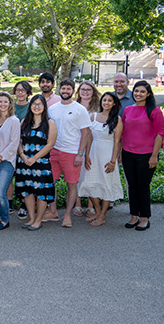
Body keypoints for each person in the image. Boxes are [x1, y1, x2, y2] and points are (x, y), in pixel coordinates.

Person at [46, 79, 91, 228]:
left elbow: (85, 133)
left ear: (73, 91)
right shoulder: (52, 108)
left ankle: (67, 215)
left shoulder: (79, 109)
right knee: (50, 183)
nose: (65, 91)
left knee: (71, 185)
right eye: (63, 88)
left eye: (68, 89)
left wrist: (80, 154)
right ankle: (53, 211)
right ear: (59, 89)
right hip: (54, 150)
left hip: (71, 152)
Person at [121, 81, 164, 231]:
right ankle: (134, 215)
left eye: (142, 92)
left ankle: (144, 218)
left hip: (146, 155)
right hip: (128, 153)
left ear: (148, 94)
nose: (138, 94)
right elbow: (123, 133)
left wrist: (154, 156)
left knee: (143, 186)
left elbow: (160, 134)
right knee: (132, 186)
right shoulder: (127, 110)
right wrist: (121, 153)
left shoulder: (154, 111)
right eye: (136, 91)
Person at [78, 92, 124, 226]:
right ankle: (97, 211)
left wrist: (113, 161)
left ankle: (103, 215)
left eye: (110, 101)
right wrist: (86, 155)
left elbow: (117, 142)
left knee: (106, 184)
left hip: (107, 155)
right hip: (93, 154)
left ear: (114, 103)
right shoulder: (92, 116)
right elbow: (89, 137)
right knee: (88, 182)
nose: (106, 103)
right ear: (101, 101)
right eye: (105, 100)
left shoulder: (117, 119)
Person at [15, 95, 57, 230]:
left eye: (40, 104)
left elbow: (50, 144)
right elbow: (18, 141)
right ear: (30, 106)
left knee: (41, 192)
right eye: (34, 104)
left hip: (41, 163)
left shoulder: (50, 123)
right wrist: (22, 155)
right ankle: (31, 219)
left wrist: (34, 158)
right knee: (27, 191)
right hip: (24, 163)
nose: (36, 106)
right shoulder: (24, 122)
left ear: (44, 106)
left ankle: (38, 220)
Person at [0, 92, 20, 230]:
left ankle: (5, 220)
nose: (2, 104)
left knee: (0, 192)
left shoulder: (14, 121)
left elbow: (14, 142)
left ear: (10, 103)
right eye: (0, 101)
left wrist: (1, 157)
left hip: (7, 162)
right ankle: (2, 217)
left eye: (5, 101)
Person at [73, 80, 101, 218]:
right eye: (83, 89)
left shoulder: (99, 107)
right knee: (77, 175)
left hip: (94, 145)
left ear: (93, 92)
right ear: (79, 92)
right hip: (76, 144)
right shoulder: (74, 106)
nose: (85, 92)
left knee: (90, 174)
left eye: (88, 90)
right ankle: (77, 203)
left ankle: (91, 205)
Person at [12, 80, 34, 219]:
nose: (20, 93)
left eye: (23, 90)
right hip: (9, 146)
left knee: (26, 176)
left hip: (26, 147)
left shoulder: (31, 107)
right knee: (14, 177)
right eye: (18, 90)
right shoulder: (9, 106)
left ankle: (25, 205)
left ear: (27, 93)